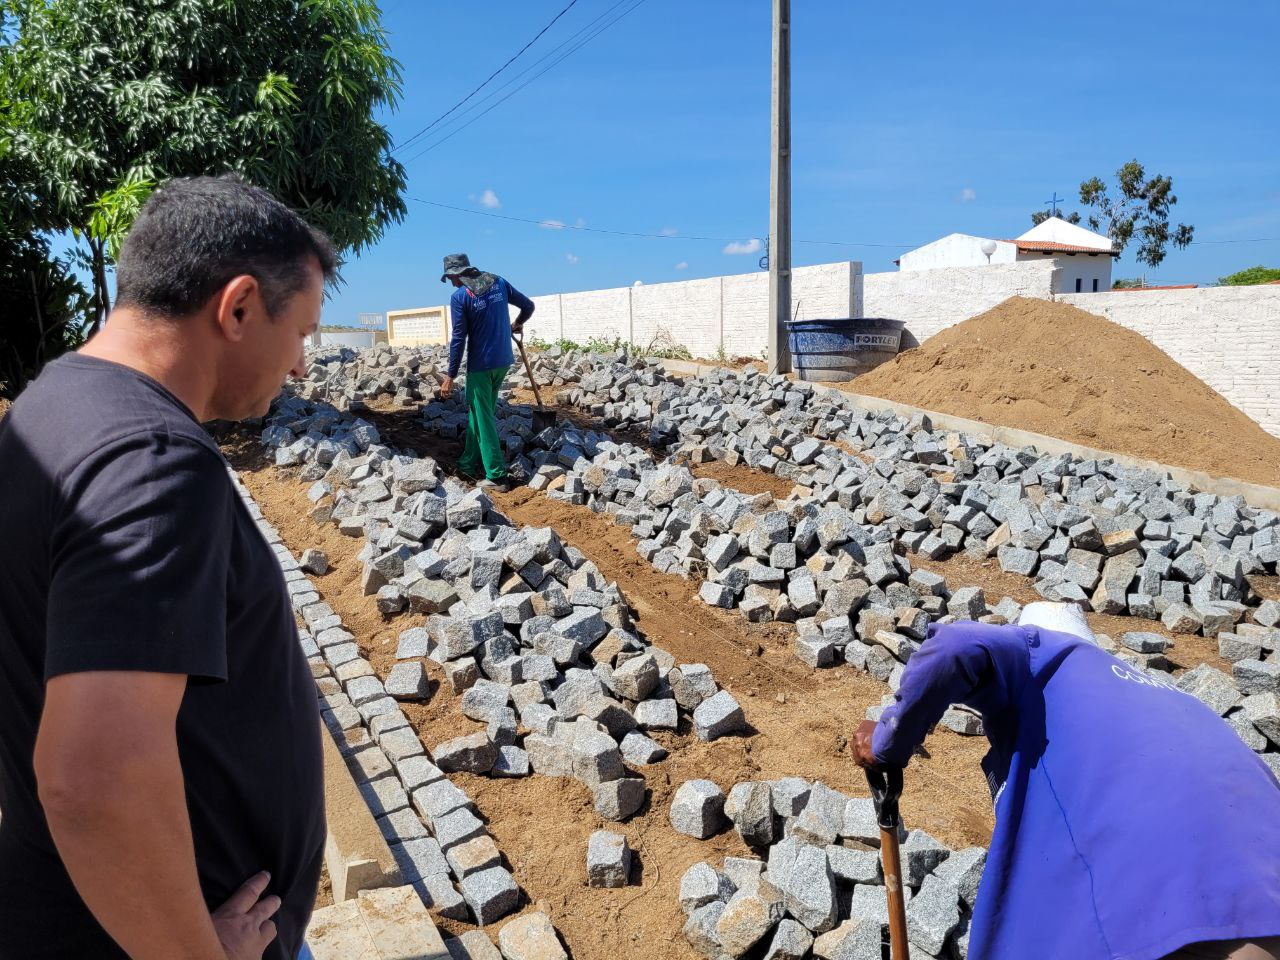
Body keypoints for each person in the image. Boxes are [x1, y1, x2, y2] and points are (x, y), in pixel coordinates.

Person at [0, 175, 334, 959]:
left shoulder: (52, 403)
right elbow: (93, 780)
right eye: (304, 334)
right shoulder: (152, 463)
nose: (301, 370)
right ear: (240, 307)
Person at [854, 601, 1280, 960]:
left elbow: (956, 645)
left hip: (1165, 915)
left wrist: (889, 742)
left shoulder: (1046, 656)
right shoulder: (1175, 702)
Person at [438, 253, 535, 493]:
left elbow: (458, 338)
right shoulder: (498, 282)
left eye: (451, 277)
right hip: (503, 360)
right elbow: (528, 306)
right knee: (478, 411)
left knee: (484, 419)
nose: (451, 282)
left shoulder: (460, 297)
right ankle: (468, 462)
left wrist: (450, 376)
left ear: (457, 274)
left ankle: (497, 476)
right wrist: (517, 323)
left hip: (481, 366)